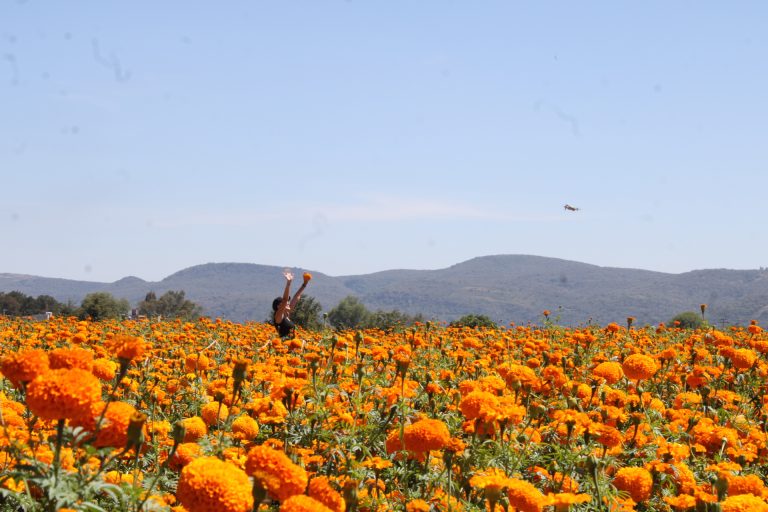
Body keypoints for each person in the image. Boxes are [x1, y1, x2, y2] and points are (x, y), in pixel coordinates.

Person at [272, 270, 311, 339]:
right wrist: (288, 283)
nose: (288, 303)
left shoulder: (286, 314)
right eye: (286, 303)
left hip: (290, 345)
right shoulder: (278, 316)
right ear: (279, 306)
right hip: (284, 346)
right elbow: (285, 300)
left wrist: (305, 283)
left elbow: (296, 297)